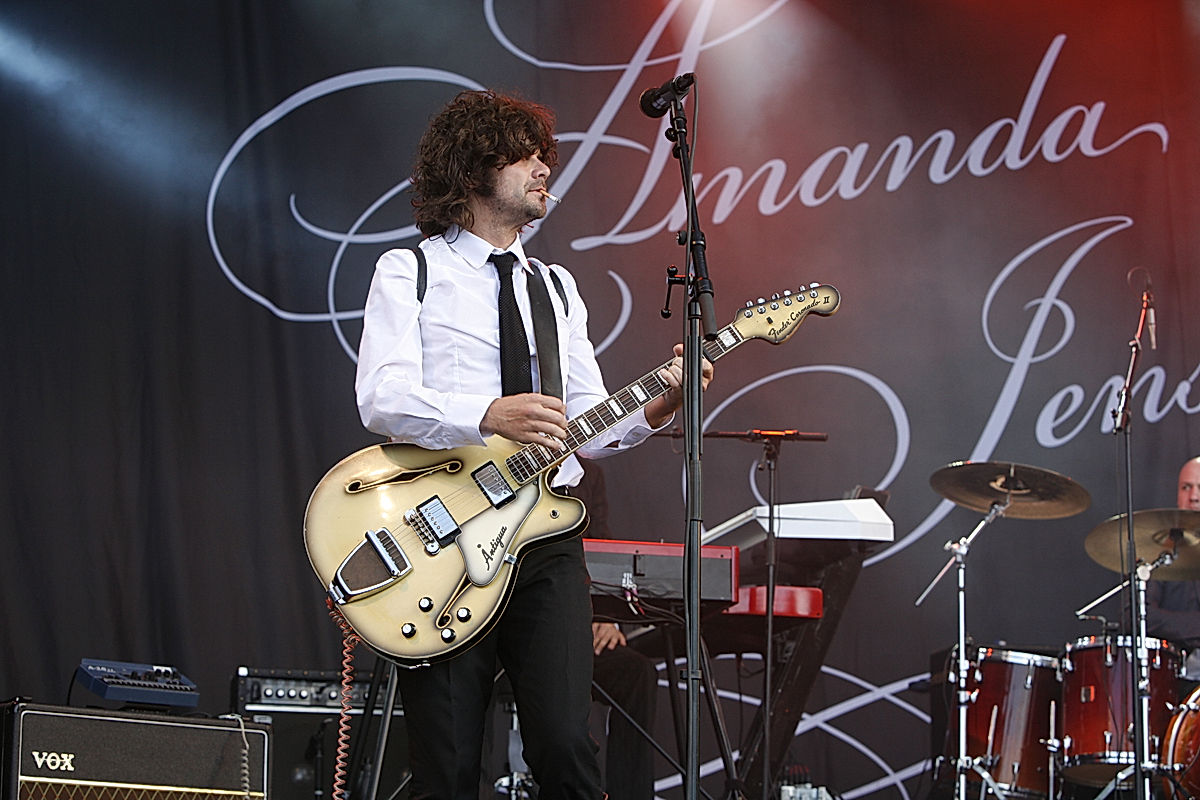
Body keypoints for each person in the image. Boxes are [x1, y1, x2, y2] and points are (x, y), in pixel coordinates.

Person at [354, 89, 713, 800]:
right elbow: (381, 397)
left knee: (564, 743)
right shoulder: (411, 271)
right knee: (450, 759)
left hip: (545, 539)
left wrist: (666, 397)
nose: (543, 168)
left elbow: (591, 421)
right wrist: (488, 412)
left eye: (543, 155)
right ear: (474, 169)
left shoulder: (555, 287)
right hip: (449, 534)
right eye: (523, 156)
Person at [572, 463, 659, 800]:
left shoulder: (586, 473)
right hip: (496, 623)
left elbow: (601, 550)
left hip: (568, 623)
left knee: (636, 673)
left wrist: (606, 615)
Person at [1144, 456, 1200, 666]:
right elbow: (1140, 614)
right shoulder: (1159, 550)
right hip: (1174, 672)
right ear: (1177, 495)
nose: (1193, 496)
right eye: (1186, 487)